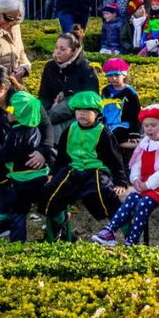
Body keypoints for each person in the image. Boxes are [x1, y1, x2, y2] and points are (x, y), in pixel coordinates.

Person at [37, 91, 128, 241]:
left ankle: (124, 232)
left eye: (86, 110)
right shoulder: (71, 129)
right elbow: (62, 155)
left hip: (95, 170)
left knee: (104, 194)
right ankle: (60, 223)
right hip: (73, 169)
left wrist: (120, 181)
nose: (82, 114)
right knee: (50, 191)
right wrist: (54, 173)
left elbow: (115, 158)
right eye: (79, 110)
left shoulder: (103, 132)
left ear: (96, 112)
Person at [90, 105, 159, 246]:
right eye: (146, 126)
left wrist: (147, 184)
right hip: (145, 185)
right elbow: (137, 164)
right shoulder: (145, 143)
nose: (149, 129)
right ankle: (110, 230)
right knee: (131, 198)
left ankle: (132, 240)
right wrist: (136, 179)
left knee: (143, 204)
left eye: (153, 125)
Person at [0, 91, 51, 242]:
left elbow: (4, 155)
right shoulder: (36, 128)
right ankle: (58, 229)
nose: (8, 113)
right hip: (41, 175)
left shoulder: (15, 134)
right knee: (48, 208)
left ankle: (17, 244)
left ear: (17, 114)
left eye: (11, 110)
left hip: (21, 180)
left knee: (18, 212)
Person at [37, 33, 100, 117]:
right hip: (51, 111)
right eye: (56, 48)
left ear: (74, 51)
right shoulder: (50, 66)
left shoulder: (86, 69)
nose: (57, 52)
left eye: (62, 49)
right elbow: (44, 96)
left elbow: (90, 99)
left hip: (77, 114)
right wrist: (51, 107)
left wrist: (63, 98)